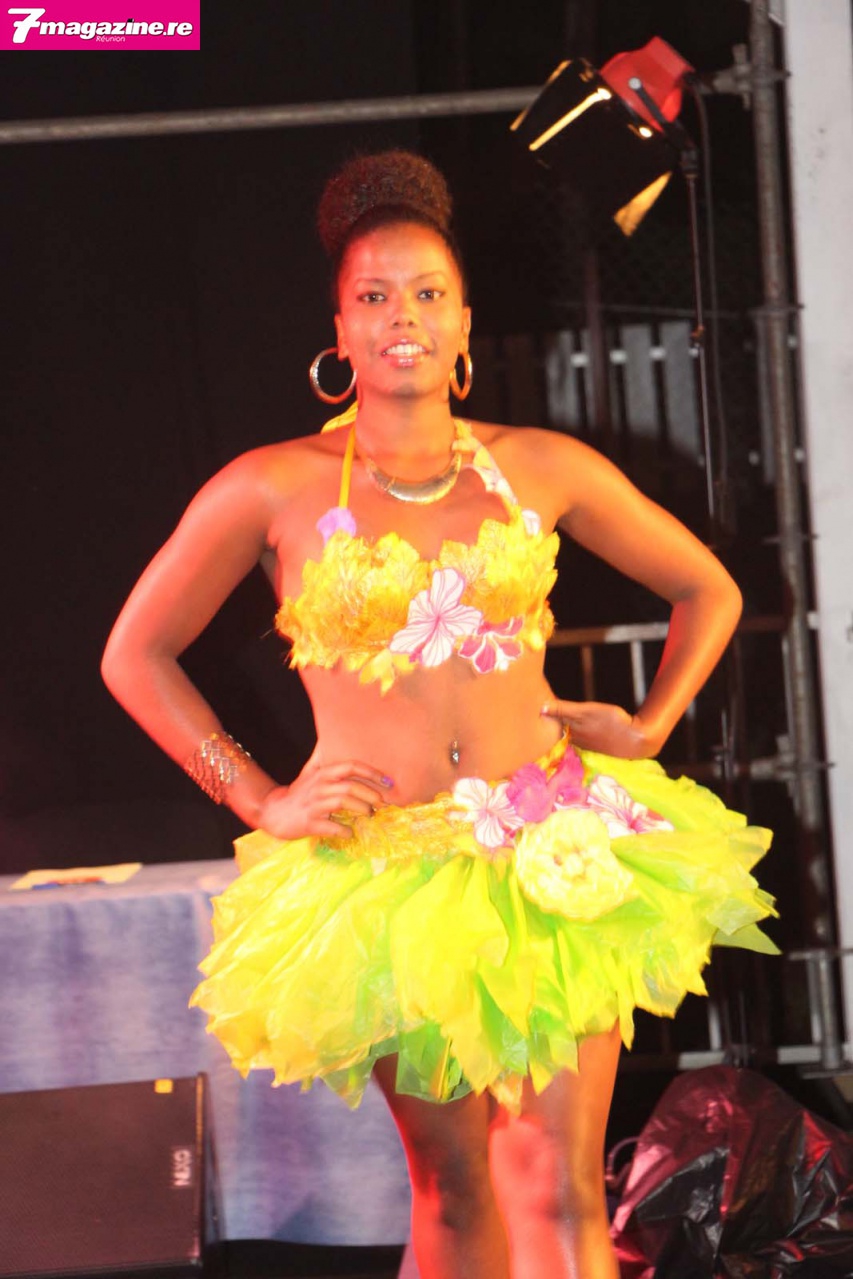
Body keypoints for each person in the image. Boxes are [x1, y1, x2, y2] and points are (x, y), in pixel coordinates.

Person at [102, 150, 775, 1279]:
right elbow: (135, 654)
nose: (401, 317)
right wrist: (259, 796)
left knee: (559, 1183)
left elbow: (708, 588)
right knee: (455, 1191)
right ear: (339, 329)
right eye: (374, 296)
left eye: (426, 294)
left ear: (464, 321)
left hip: (550, 857)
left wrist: (652, 725)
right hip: (389, 883)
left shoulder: (540, 467)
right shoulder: (271, 484)